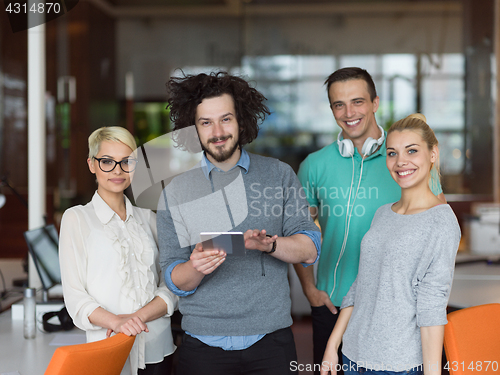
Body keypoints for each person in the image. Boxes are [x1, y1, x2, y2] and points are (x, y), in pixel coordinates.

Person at [157, 71, 321, 375]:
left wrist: (269, 244)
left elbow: (310, 248)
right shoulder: (176, 192)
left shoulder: (280, 175)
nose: (217, 131)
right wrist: (195, 267)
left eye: (226, 119)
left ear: (242, 121)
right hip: (202, 348)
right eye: (206, 122)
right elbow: (172, 277)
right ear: (193, 129)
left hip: (272, 342)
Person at [294, 67, 445, 374]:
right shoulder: (313, 165)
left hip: (395, 311)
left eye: (358, 101)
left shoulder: (406, 159)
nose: (349, 112)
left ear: (375, 102)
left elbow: (436, 232)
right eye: (339, 104)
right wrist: (310, 289)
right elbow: (298, 231)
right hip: (333, 304)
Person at [320, 113, 461, 375]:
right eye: (392, 153)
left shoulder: (441, 221)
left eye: (412, 150)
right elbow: (362, 283)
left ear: (433, 154)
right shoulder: (383, 213)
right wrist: (333, 343)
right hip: (354, 354)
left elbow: (432, 306)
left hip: (399, 364)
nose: (400, 162)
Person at [59, 126, 178, 375]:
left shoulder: (150, 219)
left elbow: (172, 283)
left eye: (126, 162)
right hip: (108, 351)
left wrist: (138, 318)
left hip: (158, 348)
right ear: (92, 164)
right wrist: (118, 322)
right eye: (107, 161)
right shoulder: (77, 219)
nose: (118, 170)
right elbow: (75, 297)